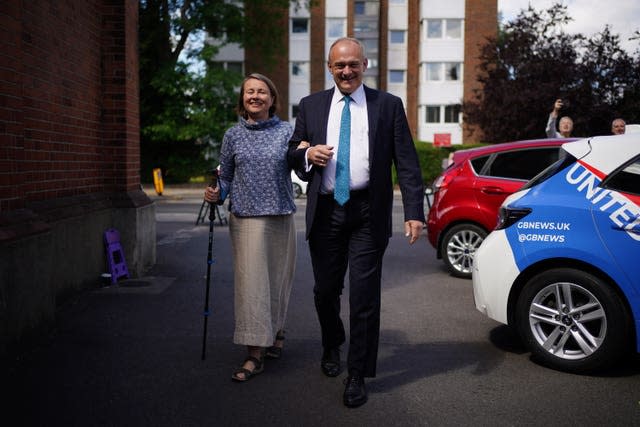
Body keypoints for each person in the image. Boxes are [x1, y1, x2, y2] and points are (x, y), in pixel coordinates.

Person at [287, 37, 425, 408]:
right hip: (327, 212)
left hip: (368, 212)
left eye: (353, 64)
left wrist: (414, 212)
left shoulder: (389, 106)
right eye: (338, 66)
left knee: (365, 298)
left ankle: (357, 373)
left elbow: (407, 162)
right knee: (325, 291)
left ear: (365, 65)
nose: (346, 71)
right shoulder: (311, 105)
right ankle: (332, 342)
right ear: (330, 68)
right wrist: (306, 155)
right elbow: (293, 152)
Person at [204, 73, 297, 382]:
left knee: (277, 280)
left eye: (261, 92)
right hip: (245, 219)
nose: (255, 96)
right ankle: (254, 353)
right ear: (242, 99)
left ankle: (277, 331)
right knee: (252, 286)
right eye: (249, 92)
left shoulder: (288, 131)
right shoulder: (232, 135)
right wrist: (218, 192)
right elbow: (225, 176)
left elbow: (302, 165)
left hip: (281, 216)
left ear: (272, 99)